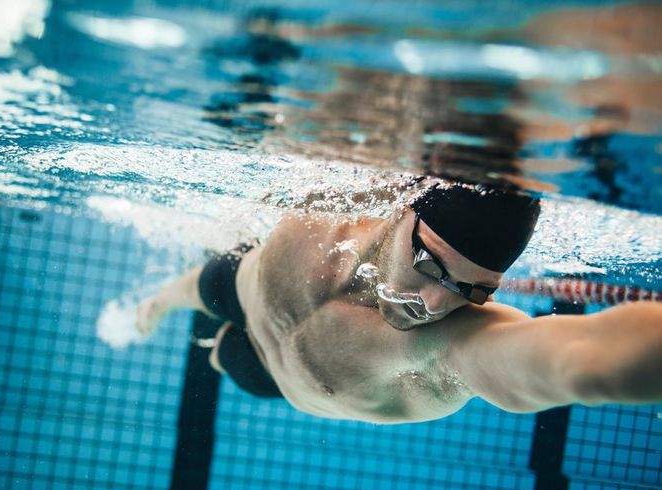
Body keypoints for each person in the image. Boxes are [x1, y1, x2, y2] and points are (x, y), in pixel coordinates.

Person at [136, 180, 662, 423]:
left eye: (470, 290)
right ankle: (155, 306)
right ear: (403, 209)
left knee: (221, 354)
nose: (435, 303)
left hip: (271, 379)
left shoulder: (448, 347)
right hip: (243, 285)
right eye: (431, 265)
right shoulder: (333, 197)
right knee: (201, 286)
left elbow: (577, 358)